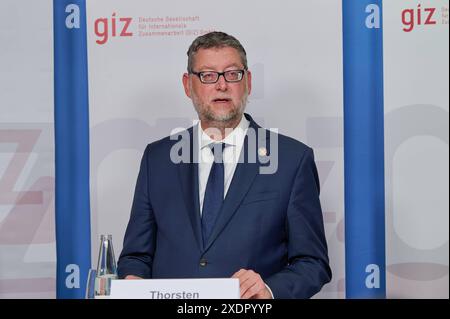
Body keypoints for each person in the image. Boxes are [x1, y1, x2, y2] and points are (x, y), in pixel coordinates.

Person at [117, 31, 331, 299]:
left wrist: (268, 289)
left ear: (248, 82)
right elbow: (136, 255)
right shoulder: (157, 159)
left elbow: (313, 263)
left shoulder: (291, 160)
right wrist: (133, 280)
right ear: (188, 85)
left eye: (232, 74)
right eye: (207, 75)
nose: (221, 85)